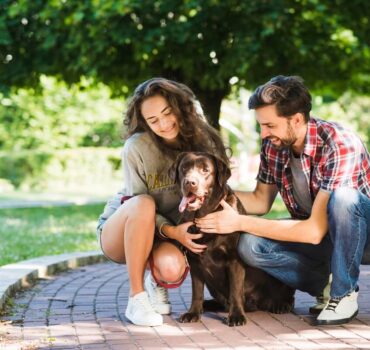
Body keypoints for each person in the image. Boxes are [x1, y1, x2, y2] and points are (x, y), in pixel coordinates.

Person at [195, 75, 370, 326]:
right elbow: (260, 200)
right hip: (323, 237)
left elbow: (313, 231)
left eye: (269, 125)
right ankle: (325, 285)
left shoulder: (339, 143)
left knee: (343, 198)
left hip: (362, 236)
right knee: (249, 246)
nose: (264, 134)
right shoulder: (274, 146)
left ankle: (344, 293)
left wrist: (238, 222)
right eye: (261, 126)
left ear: (296, 119)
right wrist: (206, 192)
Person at [96, 77, 229, 327]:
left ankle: (156, 279)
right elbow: (134, 201)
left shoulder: (205, 141)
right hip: (124, 227)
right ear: (144, 123)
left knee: (170, 268)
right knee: (144, 203)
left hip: (170, 232)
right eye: (153, 120)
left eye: (168, 113)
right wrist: (171, 231)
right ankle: (136, 298)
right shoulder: (136, 147)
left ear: (180, 107)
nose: (164, 124)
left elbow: (217, 190)